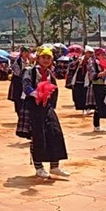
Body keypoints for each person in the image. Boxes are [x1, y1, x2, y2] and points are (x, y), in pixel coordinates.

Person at [20, 47, 70, 178]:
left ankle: (54, 166)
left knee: (55, 133)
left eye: (49, 58)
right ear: (38, 58)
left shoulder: (49, 74)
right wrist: (36, 94)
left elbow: (55, 89)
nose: (46, 60)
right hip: (33, 106)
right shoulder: (30, 71)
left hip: (46, 107)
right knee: (37, 136)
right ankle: (39, 166)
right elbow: (26, 85)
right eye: (44, 57)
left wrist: (51, 104)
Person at [87, 48, 106, 133]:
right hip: (96, 87)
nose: (104, 56)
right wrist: (100, 74)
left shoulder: (104, 63)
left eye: (104, 55)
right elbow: (91, 75)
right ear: (97, 55)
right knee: (99, 107)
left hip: (103, 86)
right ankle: (98, 126)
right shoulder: (92, 63)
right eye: (102, 55)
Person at [71, 46, 94, 115]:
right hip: (78, 80)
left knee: (86, 96)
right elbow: (72, 66)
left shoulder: (92, 61)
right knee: (78, 95)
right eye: (89, 53)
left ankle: (87, 108)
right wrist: (77, 62)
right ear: (85, 53)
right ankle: (82, 109)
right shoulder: (80, 59)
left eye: (91, 53)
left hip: (87, 81)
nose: (90, 55)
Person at [8, 46, 31, 115]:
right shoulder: (17, 61)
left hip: (26, 82)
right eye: (25, 52)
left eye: (28, 52)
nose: (27, 54)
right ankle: (19, 113)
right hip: (18, 82)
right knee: (18, 98)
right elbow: (18, 73)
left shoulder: (29, 61)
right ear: (22, 53)